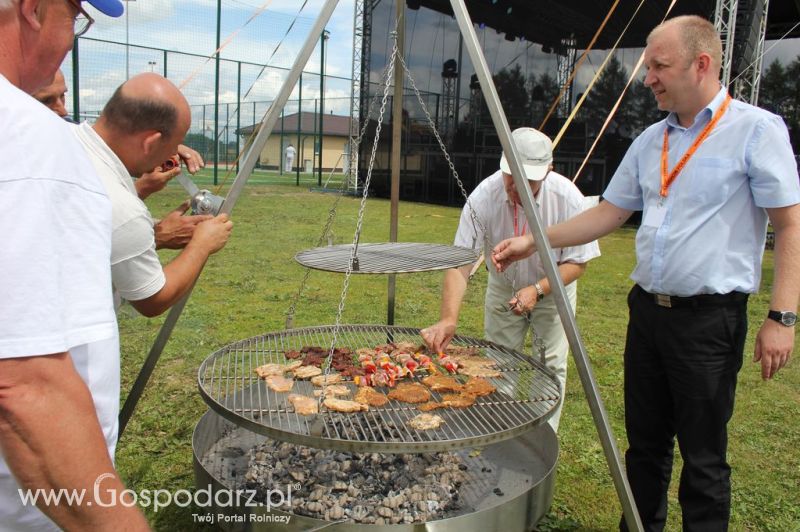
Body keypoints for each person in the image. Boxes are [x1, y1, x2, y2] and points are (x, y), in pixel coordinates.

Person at [492, 16, 800, 531]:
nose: (648, 77)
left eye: (659, 66)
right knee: (644, 449)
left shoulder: (755, 130)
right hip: (648, 314)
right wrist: (533, 239)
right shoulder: (651, 139)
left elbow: (790, 225)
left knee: (703, 458)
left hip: (708, 323)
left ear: (701, 65)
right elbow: (609, 212)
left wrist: (782, 316)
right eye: (648, 66)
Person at [0, 0, 150, 530]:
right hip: (28, 504)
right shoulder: (24, 134)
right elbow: (22, 383)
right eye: (76, 19)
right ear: (34, 10)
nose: (72, 38)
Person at [421, 127, 600, 431]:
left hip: (554, 287)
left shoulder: (568, 198)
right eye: (510, 176)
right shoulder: (484, 197)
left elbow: (577, 263)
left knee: (550, 366)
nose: (515, 186)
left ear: (548, 172)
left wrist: (538, 290)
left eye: (527, 179)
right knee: (497, 363)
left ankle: (543, 437)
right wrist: (448, 318)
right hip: (504, 286)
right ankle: (499, 431)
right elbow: (460, 263)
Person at [74, 73, 233, 317]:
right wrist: (202, 244)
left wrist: (142, 188)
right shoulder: (123, 209)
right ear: (150, 141)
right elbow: (152, 299)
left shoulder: (65, 138)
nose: (175, 152)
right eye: (175, 144)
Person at [32, 71, 213, 250]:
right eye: (46, 100)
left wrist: (163, 150)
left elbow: (86, 218)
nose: (62, 110)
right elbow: (62, 246)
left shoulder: (67, 136)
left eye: (62, 96)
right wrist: (166, 239)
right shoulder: (34, 163)